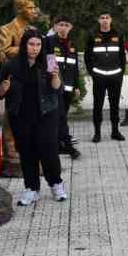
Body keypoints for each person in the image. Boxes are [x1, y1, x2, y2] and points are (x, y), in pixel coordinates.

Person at [0, 29, 67, 204]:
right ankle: (31, 188)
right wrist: (3, 89)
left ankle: (56, 184)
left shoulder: (48, 62)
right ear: (24, 45)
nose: (35, 48)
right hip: (20, 116)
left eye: (38, 44)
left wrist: (55, 76)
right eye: (31, 44)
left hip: (46, 113)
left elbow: (58, 88)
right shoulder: (11, 65)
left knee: (48, 151)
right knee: (26, 152)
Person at [85, 12, 127, 142]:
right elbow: (87, 56)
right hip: (99, 76)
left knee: (115, 105)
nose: (104, 20)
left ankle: (115, 131)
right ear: (99, 20)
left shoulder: (118, 34)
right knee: (98, 105)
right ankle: (97, 133)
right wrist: (93, 73)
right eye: (102, 18)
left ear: (111, 19)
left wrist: (120, 73)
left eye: (107, 18)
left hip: (115, 76)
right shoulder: (92, 35)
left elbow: (122, 55)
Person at [48, 17, 81, 158]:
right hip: (55, 88)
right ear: (55, 27)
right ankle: (69, 147)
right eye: (61, 25)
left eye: (66, 25)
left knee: (61, 117)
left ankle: (57, 146)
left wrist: (76, 86)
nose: (63, 27)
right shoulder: (49, 42)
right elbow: (49, 64)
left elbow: (75, 67)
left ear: (70, 27)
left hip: (68, 89)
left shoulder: (72, 44)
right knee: (61, 118)